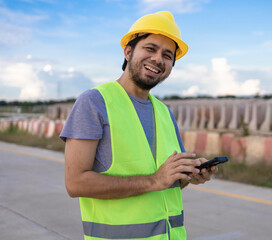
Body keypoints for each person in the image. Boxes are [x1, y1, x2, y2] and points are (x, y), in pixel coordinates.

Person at [60, 11, 218, 240]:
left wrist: (187, 176)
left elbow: (165, 182)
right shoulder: (94, 102)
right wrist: (155, 180)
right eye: (150, 48)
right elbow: (75, 183)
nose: (158, 59)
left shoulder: (165, 112)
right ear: (128, 51)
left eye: (167, 55)